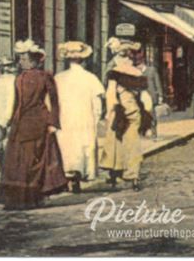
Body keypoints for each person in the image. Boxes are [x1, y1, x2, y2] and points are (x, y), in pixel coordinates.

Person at [0, 39, 67, 210]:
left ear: (34, 60)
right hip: (20, 124)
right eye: (20, 58)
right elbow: (16, 102)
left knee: (35, 161)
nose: (21, 62)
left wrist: (53, 122)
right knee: (18, 162)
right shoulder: (18, 78)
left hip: (39, 122)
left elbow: (55, 101)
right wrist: (9, 121)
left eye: (24, 58)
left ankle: (35, 197)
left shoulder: (45, 76)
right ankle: (19, 199)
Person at [54, 41, 105, 193]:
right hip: (84, 117)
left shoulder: (59, 78)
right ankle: (79, 175)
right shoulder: (90, 78)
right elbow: (97, 103)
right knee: (82, 145)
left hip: (65, 118)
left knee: (68, 147)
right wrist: (96, 118)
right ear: (83, 60)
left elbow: (54, 101)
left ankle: (69, 176)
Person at [99, 46, 153, 190]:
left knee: (115, 142)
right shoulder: (137, 74)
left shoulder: (114, 74)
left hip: (119, 111)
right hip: (134, 111)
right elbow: (145, 97)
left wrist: (109, 112)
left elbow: (110, 94)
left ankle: (115, 171)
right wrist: (147, 113)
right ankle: (133, 174)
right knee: (133, 143)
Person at [134, 51, 163, 136]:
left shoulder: (152, 70)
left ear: (142, 63)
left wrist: (160, 95)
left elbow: (157, 83)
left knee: (152, 115)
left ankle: (154, 133)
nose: (138, 67)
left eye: (138, 65)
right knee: (142, 115)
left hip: (151, 96)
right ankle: (142, 132)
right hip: (140, 97)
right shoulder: (136, 73)